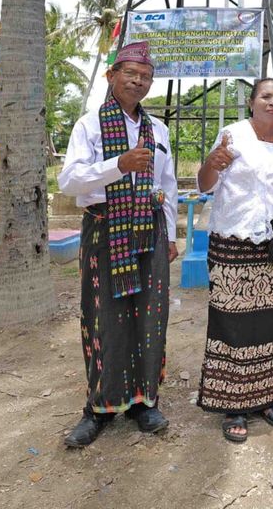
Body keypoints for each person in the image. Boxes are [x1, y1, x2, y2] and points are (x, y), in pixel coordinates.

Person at [58, 41, 179, 447]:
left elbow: (167, 184)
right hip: (105, 230)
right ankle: (99, 406)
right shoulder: (89, 125)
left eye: (145, 77)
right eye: (131, 74)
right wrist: (118, 166)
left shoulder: (157, 129)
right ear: (112, 77)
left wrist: (173, 234)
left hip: (150, 232)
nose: (138, 82)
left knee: (150, 319)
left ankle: (144, 402)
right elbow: (69, 181)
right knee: (103, 318)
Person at [195, 78, 273, 444]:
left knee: (271, 323)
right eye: (266, 97)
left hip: (271, 247)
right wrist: (213, 162)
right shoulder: (232, 135)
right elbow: (204, 185)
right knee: (231, 324)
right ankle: (234, 403)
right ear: (253, 102)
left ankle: (268, 397)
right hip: (232, 240)